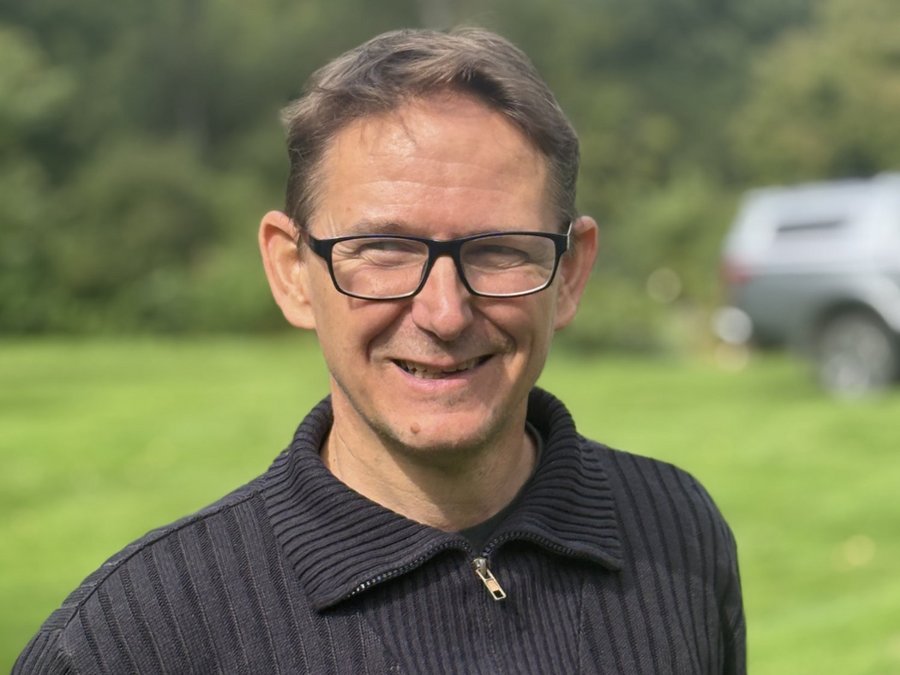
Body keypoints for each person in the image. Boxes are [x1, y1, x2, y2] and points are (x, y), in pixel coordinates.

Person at [15, 27, 745, 674]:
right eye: (384, 249)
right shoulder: (134, 642)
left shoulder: (675, 530)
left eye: (499, 249)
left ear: (572, 272)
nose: (444, 312)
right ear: (292, 272)